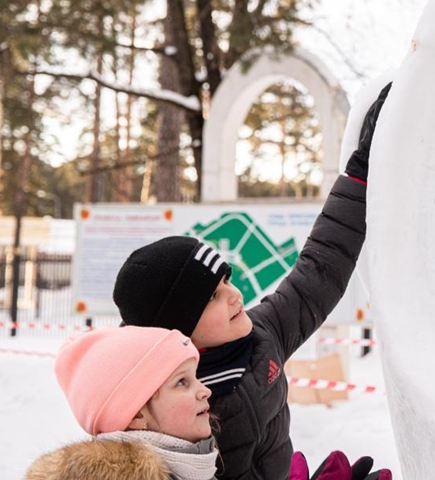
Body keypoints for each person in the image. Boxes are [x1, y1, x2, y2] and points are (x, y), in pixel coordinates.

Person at [111, 83, 392, 480]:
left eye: (227, 280)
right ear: (179, 329)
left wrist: (360, 173)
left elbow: (319, 270)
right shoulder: (174, 414)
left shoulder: (260, 335)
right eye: (212, 295)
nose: (233, 295)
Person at [26, 326, 218, 480]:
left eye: (195, 377)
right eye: (182, 382)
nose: (205, 391)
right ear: (136, 415)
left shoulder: (195, 469)